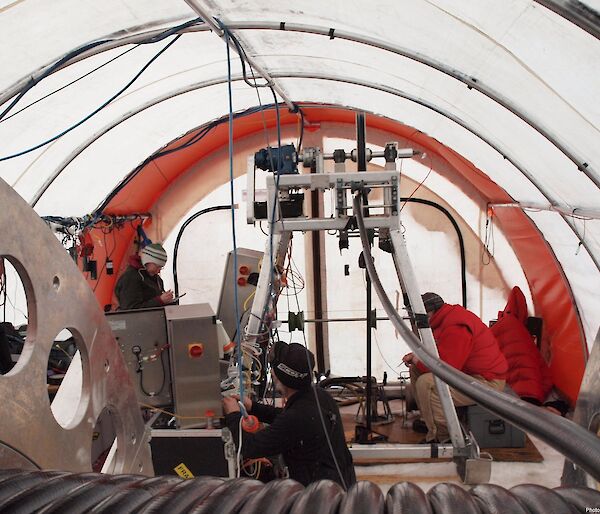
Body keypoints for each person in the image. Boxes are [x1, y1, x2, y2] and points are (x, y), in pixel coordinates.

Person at [222, 342, 356, 488]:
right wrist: (253, 407)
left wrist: (233, 414)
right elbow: (286, 417)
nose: (271, 373)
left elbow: (250, 447)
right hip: (343, 484)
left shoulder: (296, 417)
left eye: (273, 370)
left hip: (319, 498)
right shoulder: (320, 396)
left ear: (280, 377)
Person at [403, 292, 508, 443]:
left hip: (486, 382)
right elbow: (442, 353)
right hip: (469, 375)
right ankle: (430, 422)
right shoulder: (443, 320)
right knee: (416, 370)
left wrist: (418, 359)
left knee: (427, 384)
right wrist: (416, 358)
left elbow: (447, 369)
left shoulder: (456, 327)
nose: (415, 320)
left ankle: (444, 436)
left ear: (428, 312)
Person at [114, 243, 174, 310]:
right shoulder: (130, 278)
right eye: (157, 267)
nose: (159, 271)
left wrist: (166, 301)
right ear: (147, 261)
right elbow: (131, 309)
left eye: (161, 267)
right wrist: (159, 300)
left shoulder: (156, 279)